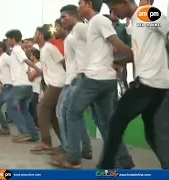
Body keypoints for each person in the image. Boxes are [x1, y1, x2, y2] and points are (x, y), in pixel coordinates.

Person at [58, 0, 134, 169]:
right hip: (104, 78)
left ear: (89, 4)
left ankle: (73, 158)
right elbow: (108, 49)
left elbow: (117, 44)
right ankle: (124, 160)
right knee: (105, 123)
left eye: (80, 4)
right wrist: (116, 62)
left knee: (71, 112)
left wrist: (132, 56)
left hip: (95, 79)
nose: (78, 8)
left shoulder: (99, 21)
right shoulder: (93, 23)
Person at [100, 0, 169, 169]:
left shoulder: (148, 12)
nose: (114, 13)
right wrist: (119, 61)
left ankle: (105, 168)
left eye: (114, 8)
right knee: (153, 134)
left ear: (125, 2)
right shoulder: (136, 22)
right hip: (151, 84)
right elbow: (141, 54)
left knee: (116, 121)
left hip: (150, 83)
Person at [51, 5, 93, 167]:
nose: (55, 30)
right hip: (74, 79)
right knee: (73, 115)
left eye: (58, 26)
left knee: (65, 113)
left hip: (75, 80)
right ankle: (82, 149)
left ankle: (71, 151)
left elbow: (86, 54)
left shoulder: (73, 36)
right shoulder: (72, 38)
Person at [29, 25, 64, 153]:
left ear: (41, 35)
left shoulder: (50, 48)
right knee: (52, 115)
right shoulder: (44, 49)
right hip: (52, 83)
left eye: (35, 33)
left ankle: (46, 143)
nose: (34, 35)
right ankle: (65, 143)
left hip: (58, 83)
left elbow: (64, 62)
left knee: (42, 108)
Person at [5, 29, 40, 143]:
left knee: (10, 107)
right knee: (24, 110)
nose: (7, 41)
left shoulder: (16, 49)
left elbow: (26, 61)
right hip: (26, 85)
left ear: (13, 39)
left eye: (8, 39)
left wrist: (37, 69)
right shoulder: (17, 51)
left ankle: (25, 132)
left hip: (20, 85)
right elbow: (25, 66)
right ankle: (33, 134)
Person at [0, 41, 13, 136]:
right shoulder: (0, 58)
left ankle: (5, 128)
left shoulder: (6, 57)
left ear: (1, 48)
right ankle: (5, 128)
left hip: (9, 85)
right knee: (15, 108)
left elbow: (15, 67)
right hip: (5, 85)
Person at [28, 48, 42, 130]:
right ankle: (33, 124)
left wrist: (28, 71)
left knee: (34, 108)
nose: (30, 56)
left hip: (35, 88)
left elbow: (31, 77)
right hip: (31, 88)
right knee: (30, 107)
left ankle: (37, 125)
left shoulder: (38, 65)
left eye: (31, 55)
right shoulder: (32, 65)